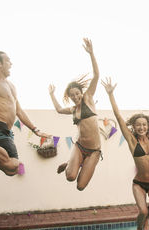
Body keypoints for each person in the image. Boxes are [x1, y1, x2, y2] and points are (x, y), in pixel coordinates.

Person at [102, 73, 149, 230]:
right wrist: (111, 94)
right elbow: (118, 117)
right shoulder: (132, 141)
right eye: (138, 125)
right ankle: (139, 229)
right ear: (133, 127)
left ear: (148, 126)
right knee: (142, 210)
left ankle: (147, 217)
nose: (141, 127)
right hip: (139, 184)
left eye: (144, 124)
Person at [48, 38, 100, 191]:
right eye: (72, 96)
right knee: (70, 177)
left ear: (81, 92)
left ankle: (75, 163)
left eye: (77, 93)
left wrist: (91, 53)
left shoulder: (88, 99)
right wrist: (52, 94)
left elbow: (96, 75)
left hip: (94, 151)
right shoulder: (72, 109)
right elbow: (58, 109)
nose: (75, 97)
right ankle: (72, 164)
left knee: (80, 186)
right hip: (79, 146)